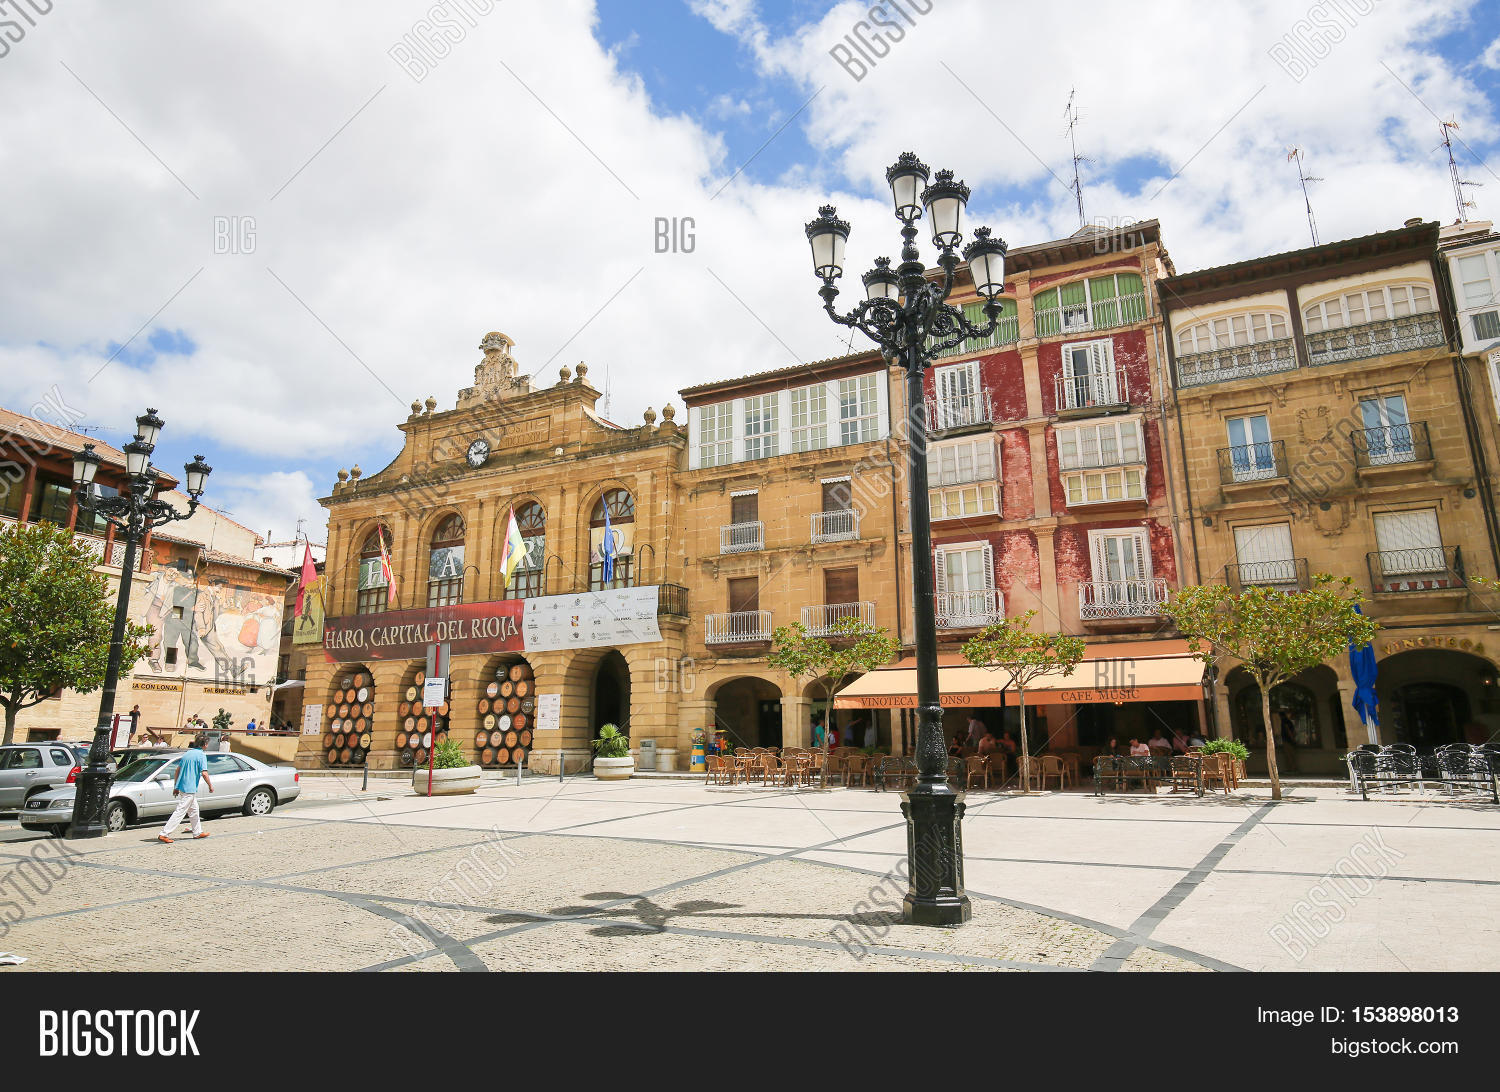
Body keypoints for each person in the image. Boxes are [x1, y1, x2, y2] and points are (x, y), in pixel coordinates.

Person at [158, 740, 214, 844]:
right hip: (190, 787)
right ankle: (164, 833)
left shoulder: (187, 754)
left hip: (183, 786)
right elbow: (204, 773)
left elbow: (177, 770)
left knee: (194, 810)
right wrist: (210, 786)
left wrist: (176, 786)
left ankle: (197, 832)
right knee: (180, 811)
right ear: (205, 744)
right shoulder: (201, 755)